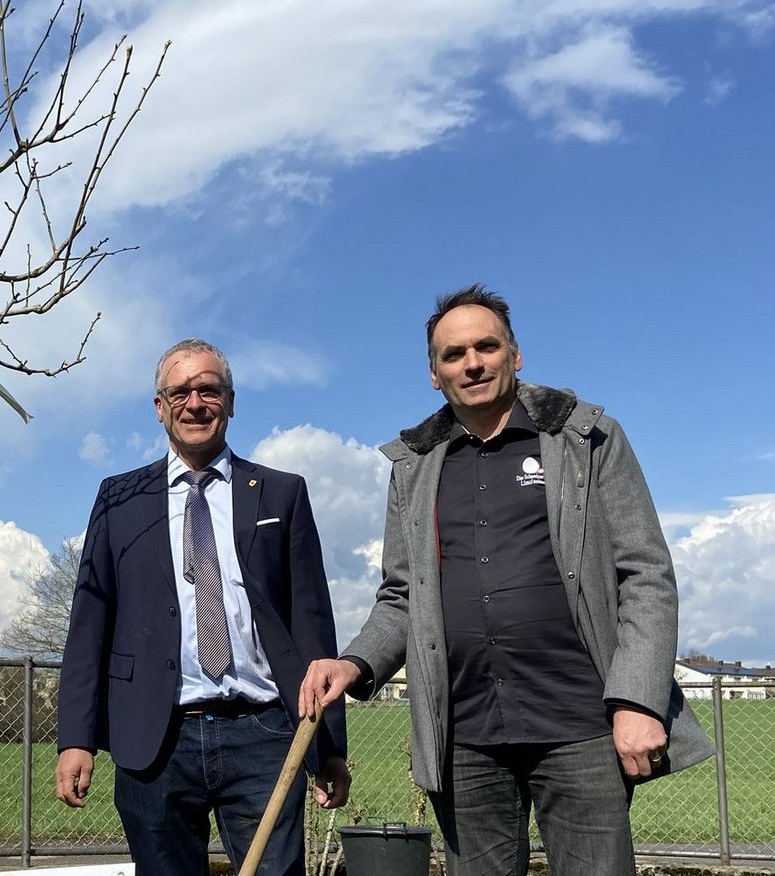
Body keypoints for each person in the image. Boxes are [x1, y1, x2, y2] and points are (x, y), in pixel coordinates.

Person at [302, 286, 713, 876]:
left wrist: (636, 700)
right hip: (464, 734)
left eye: (486, 347)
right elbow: (402, 596)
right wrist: (354, 664)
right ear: (434, 374)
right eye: (453, 354)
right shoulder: (415, 466)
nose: (472, 363)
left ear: (514, 355)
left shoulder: (585, 439)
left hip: (581, 725)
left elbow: (645, 573)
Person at [56, 338, 350, 876]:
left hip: (265, 734)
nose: (195, 404)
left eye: (209, 390)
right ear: (160, 406)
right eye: (180, 392)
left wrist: (330, 744)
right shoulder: (119, 499)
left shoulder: (282, 493)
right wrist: (77, 738)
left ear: (230, 401)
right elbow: (89, 624)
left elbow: (311, 621)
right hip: (155, 739)